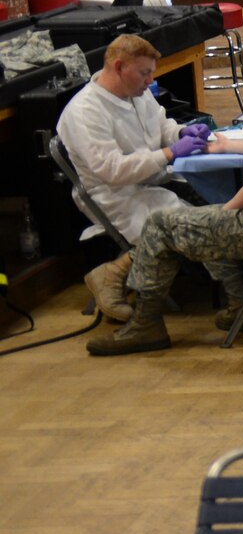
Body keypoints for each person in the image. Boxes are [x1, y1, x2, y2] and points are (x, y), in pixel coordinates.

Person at [88, 43, 243, 355]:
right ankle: (242, 307)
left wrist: (223, 214)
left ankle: (146, 324)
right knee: (203, 220)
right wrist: (224, 147)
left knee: (161, 225)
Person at [55, 33, 211, 320]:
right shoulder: (84, 112)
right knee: (187, 226)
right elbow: (112, 170)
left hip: (154, 181)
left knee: (214, 204)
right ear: (118, 67)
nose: (150, 80)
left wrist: (180, 132)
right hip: (115, 195)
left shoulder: (137, 93)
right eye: (144, 73)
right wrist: (169, 153)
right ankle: (111, 275)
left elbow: (162, 124)